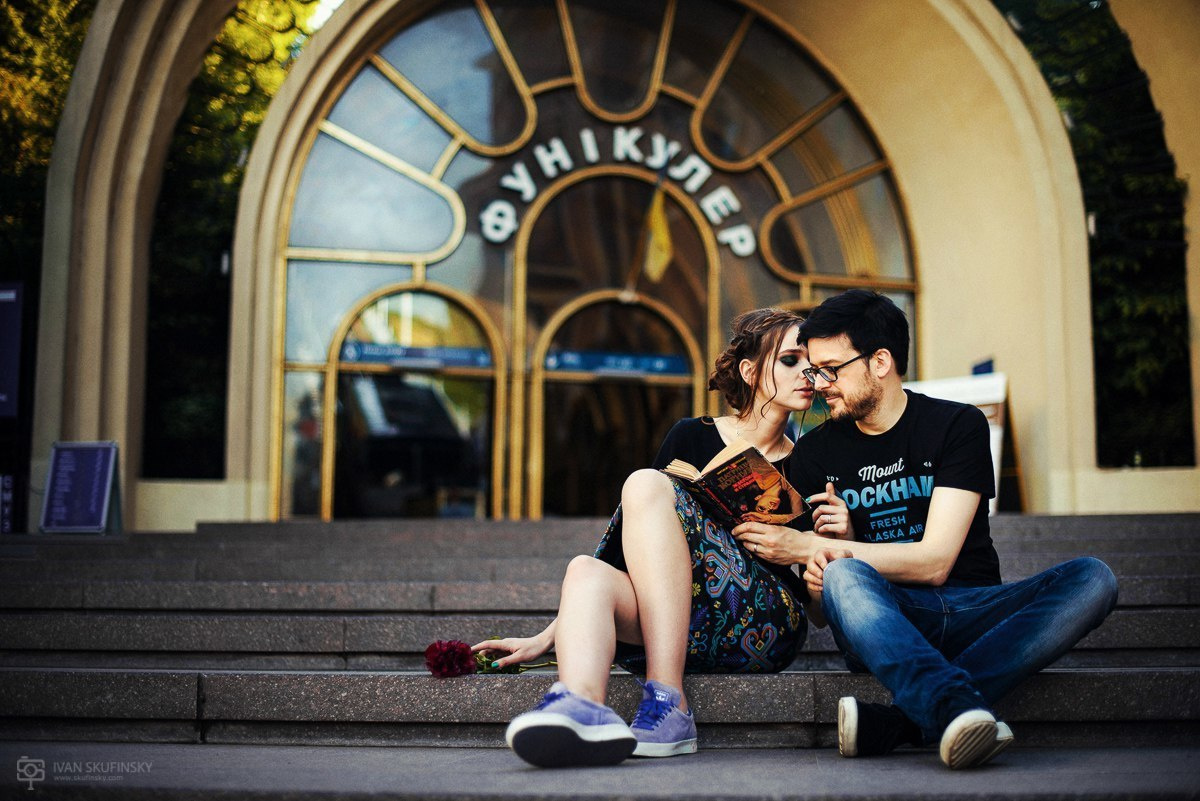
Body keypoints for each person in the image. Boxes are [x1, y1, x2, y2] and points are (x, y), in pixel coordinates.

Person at [732, 289, 1119, 769]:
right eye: (814, 370)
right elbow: (818, 614)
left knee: (1093, 578)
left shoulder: (957, 425)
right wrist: (821, 563)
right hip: (882, 620)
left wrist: (815, 545)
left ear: (879, 362)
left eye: (831, 369)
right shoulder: (813, 454)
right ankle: (954, 709)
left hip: (973, 607)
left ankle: (903, 722)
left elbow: (937, 563)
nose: (819, 384)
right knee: (843, 576)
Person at [473, 308, 841, 768]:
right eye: (791, 360)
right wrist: (553, 632)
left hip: (763, 626)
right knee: (586, 570)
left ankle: (668, 701)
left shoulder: (815, 461)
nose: (807, 373)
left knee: (645, 483)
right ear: (750, 371)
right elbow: (635, 554)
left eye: (814, 364)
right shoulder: (691, 436)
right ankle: (580, 704)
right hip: (680, 617)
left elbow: (822, 616)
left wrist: (827, 549)